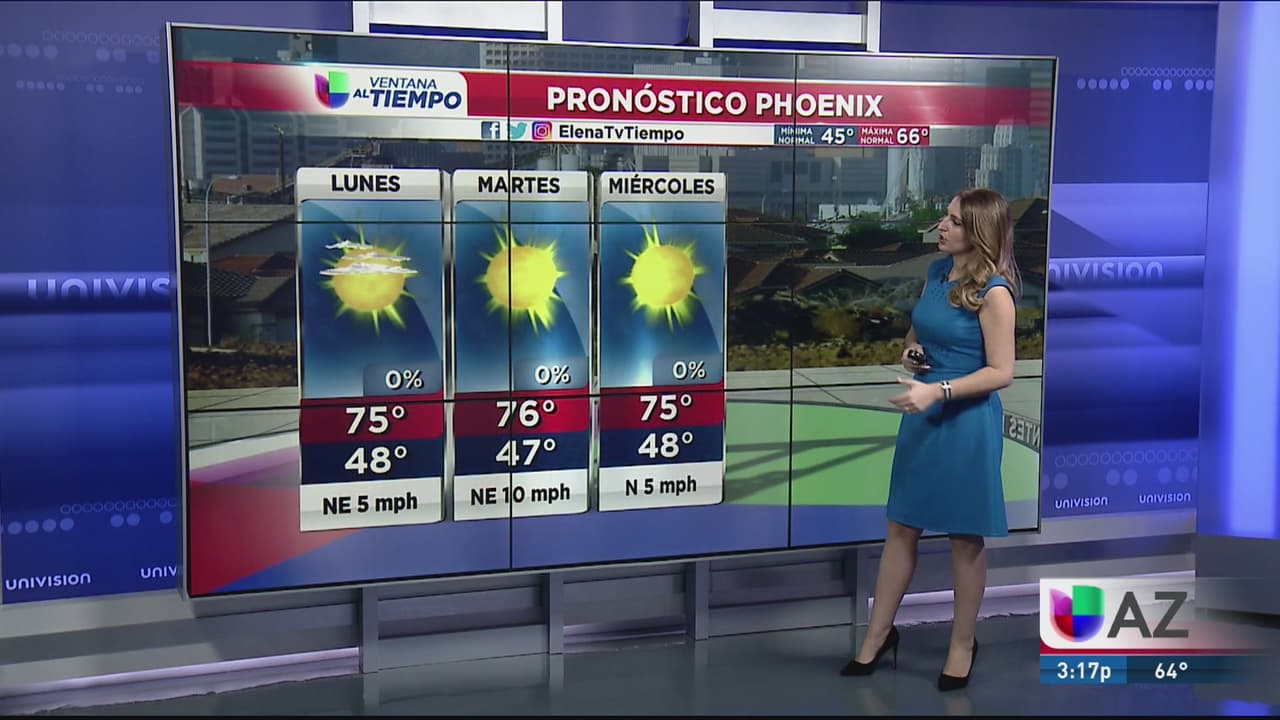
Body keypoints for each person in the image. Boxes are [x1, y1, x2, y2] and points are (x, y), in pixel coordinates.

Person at [839, 187, 1020, 692]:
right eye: (945, 217)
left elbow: (1002, 372)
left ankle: (961, 645)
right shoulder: (937, 273)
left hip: (965, 422)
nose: (942, 226)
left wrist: (937, 391)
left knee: (964, 538)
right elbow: (916, 336)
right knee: (901, 527)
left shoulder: (995, 293)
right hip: (923, 412)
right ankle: (878, 636)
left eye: (955, 221)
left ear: (979, 232)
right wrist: (913, 354)